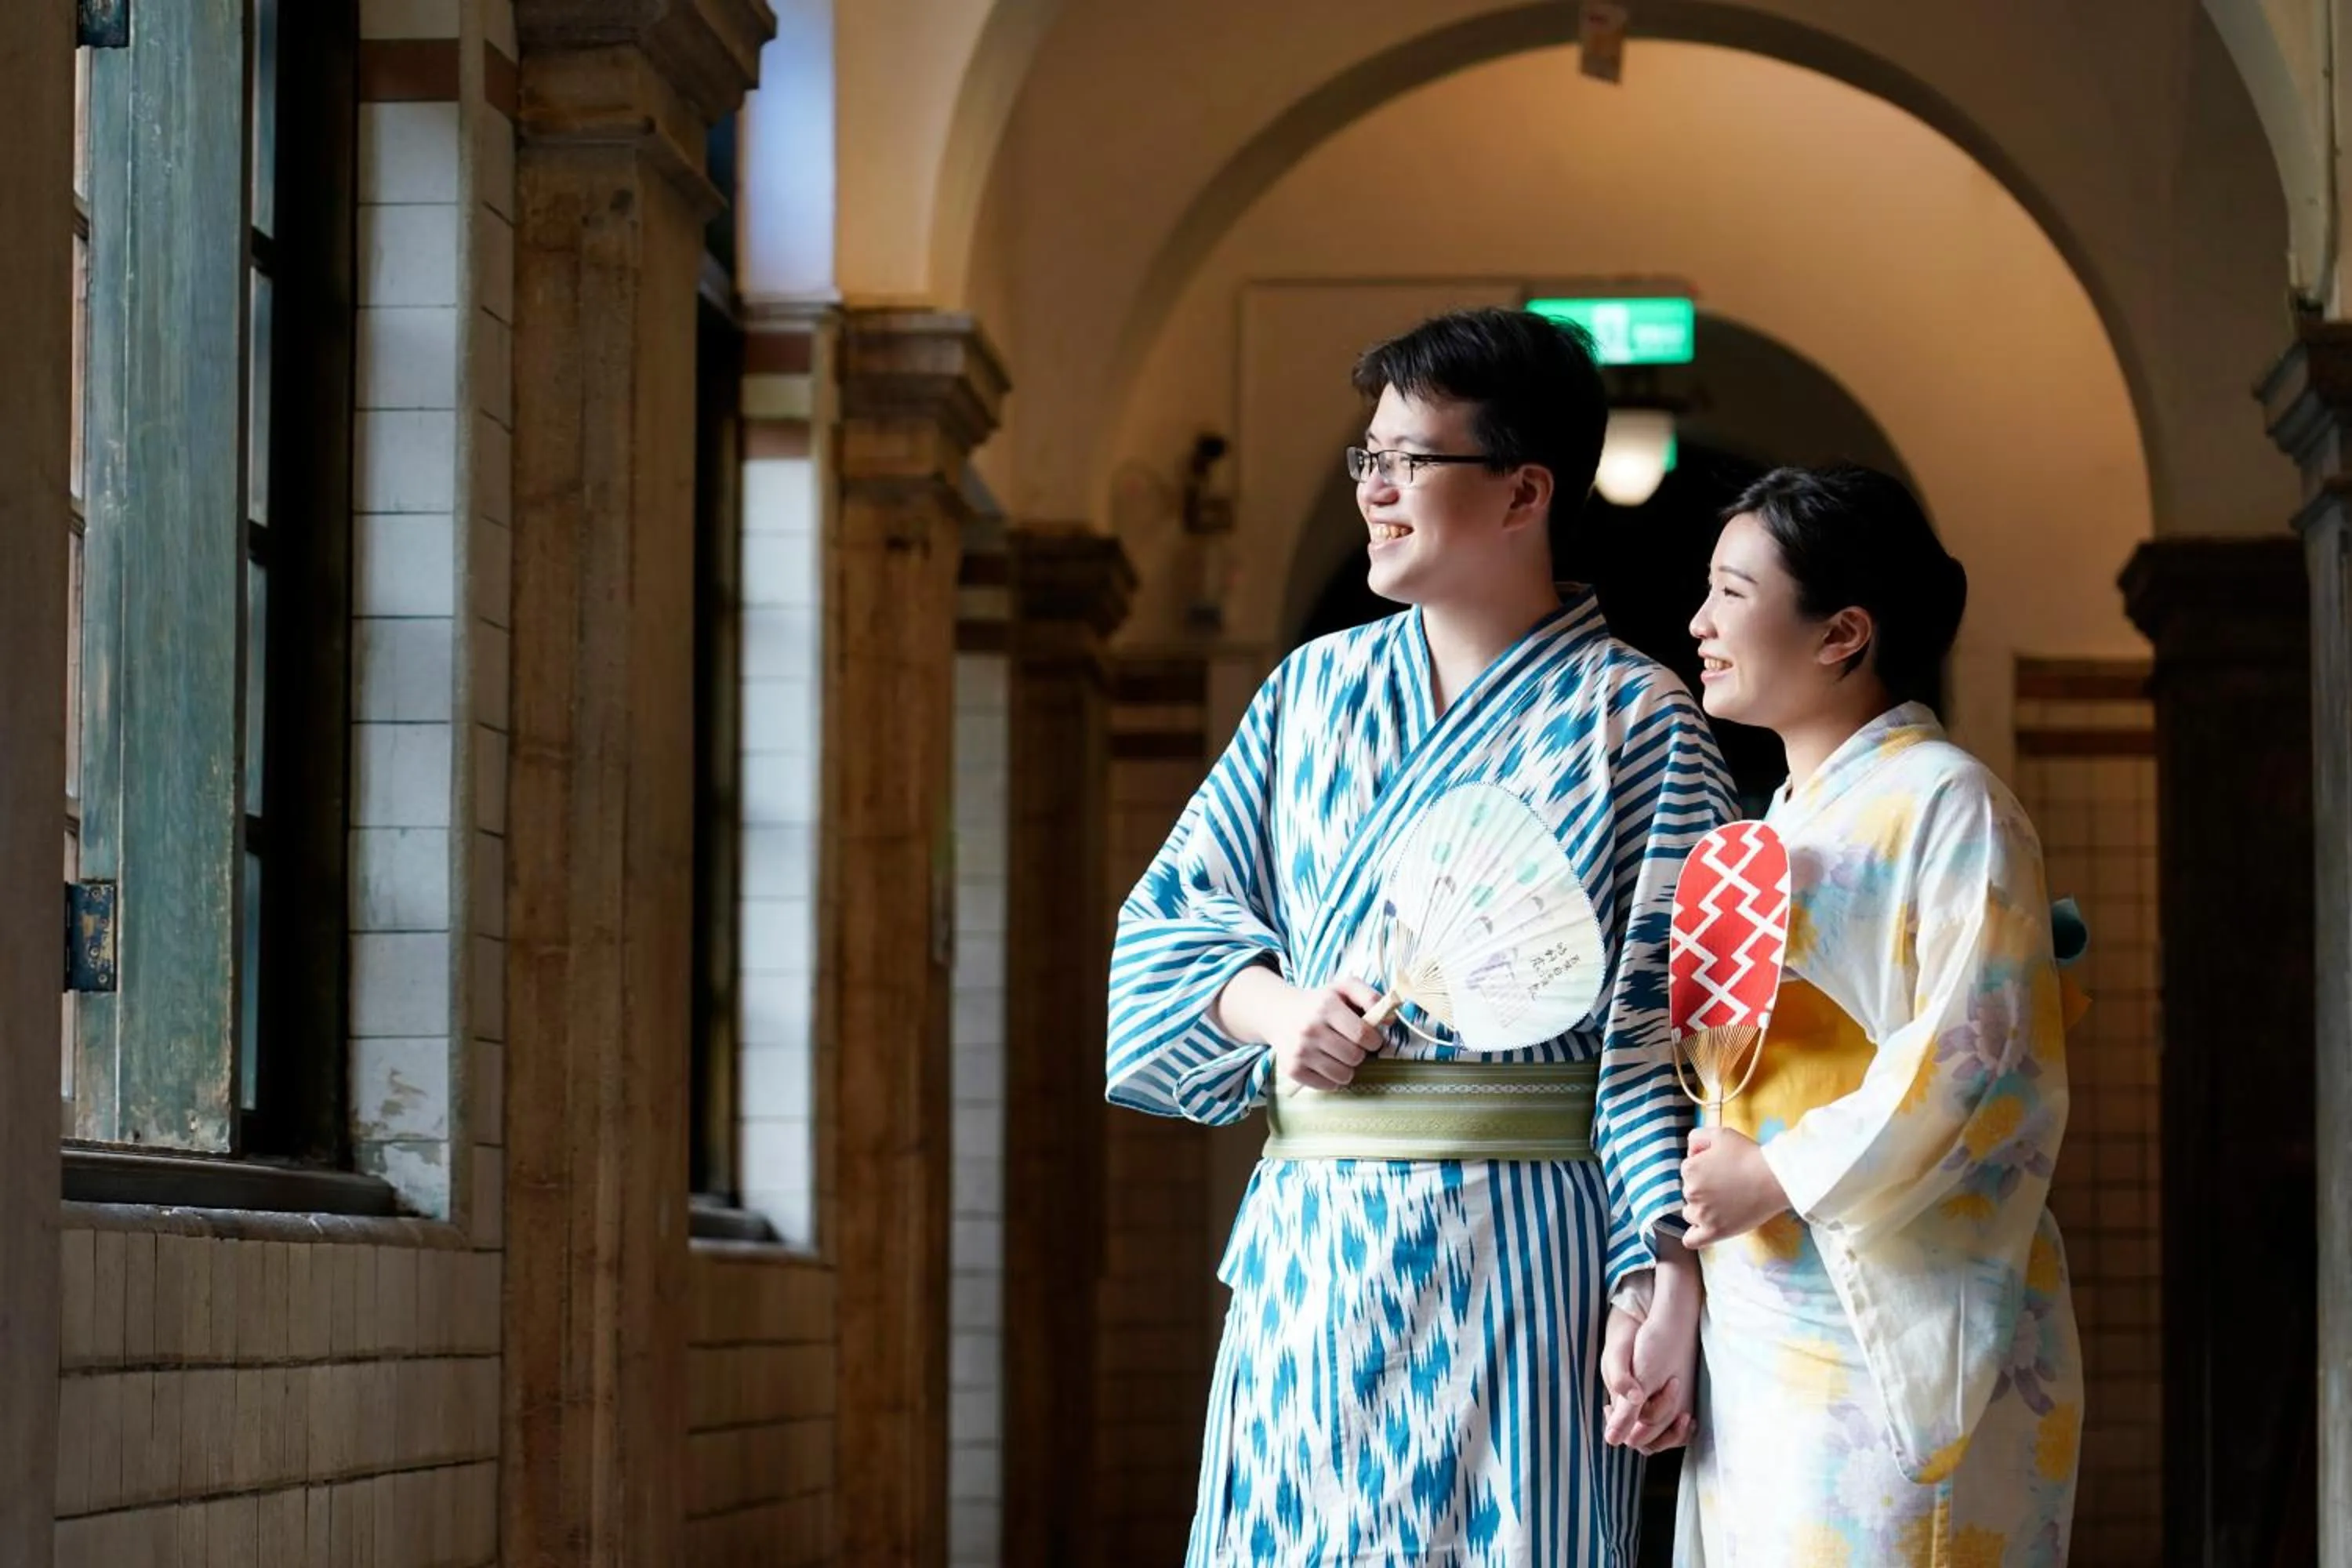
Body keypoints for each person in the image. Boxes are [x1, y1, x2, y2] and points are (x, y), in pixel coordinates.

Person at [1106, 306, 1734, 1565]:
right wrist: (1280, 1013)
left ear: (1523, 490)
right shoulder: (1310, 692)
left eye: (1410, 459)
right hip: (1316, 1245)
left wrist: (1659, 1273)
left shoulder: (1640, 719)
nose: (1377, 489)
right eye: (1367, 460)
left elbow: (1679, 1042)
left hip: (1528, 1252)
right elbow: (1164, 928)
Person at [1676, 464, 2083, 1563]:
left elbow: (1977, 1057)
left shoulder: (1950, 800)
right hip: (1760, 1311)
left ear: (1841, 634)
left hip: (1879, 1318)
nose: (1699, 622)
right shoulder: (1784, 815)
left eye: (1730, 592)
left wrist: (1773, 1172)